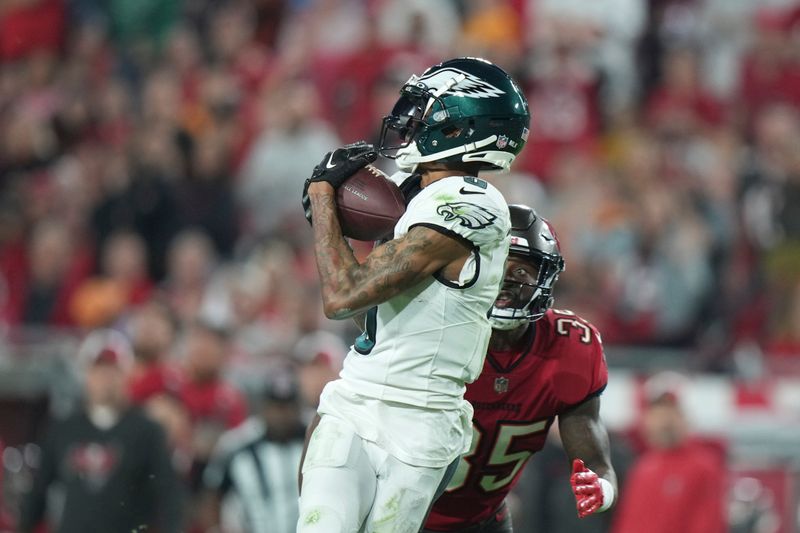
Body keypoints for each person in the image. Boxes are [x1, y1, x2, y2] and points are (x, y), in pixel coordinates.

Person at [297, 57, 530, 532]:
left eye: (427, 110)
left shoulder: (473, 202)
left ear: (461, 126)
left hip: (420, 418)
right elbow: (371, 318)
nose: (410, 118)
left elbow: (342, 295)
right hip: (357, 397)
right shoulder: (418, 194)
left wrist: (323, 198)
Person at [423, 204, 618, 532]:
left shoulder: (571, 347)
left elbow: (595, 461)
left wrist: (604, 489)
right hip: (402, 513)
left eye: (521, 272)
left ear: (546, 278)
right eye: (496, 266)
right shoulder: (431, 330)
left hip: (484, 520)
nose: (506, 281)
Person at [19, 329, 183, 533]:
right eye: (98, 369)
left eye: (113, 370)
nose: (105, 378)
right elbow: (38, 493)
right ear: (86, 373)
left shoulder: (146, 431)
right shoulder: (64, 428)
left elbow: (169, 494)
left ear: (127, 374)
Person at [611, 377, 726, 533]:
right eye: (656, 414)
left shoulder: (704, 466)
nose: (664, 421)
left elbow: (708, 525)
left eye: (670, 412)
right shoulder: (641, 467)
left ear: (684, 416)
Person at [202, 369, 307, 533]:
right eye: (276, 407)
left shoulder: (315, 443)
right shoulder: (237, 445)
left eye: (288, 407)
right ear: (263, 407)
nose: (282, 415)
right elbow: (212, 493)